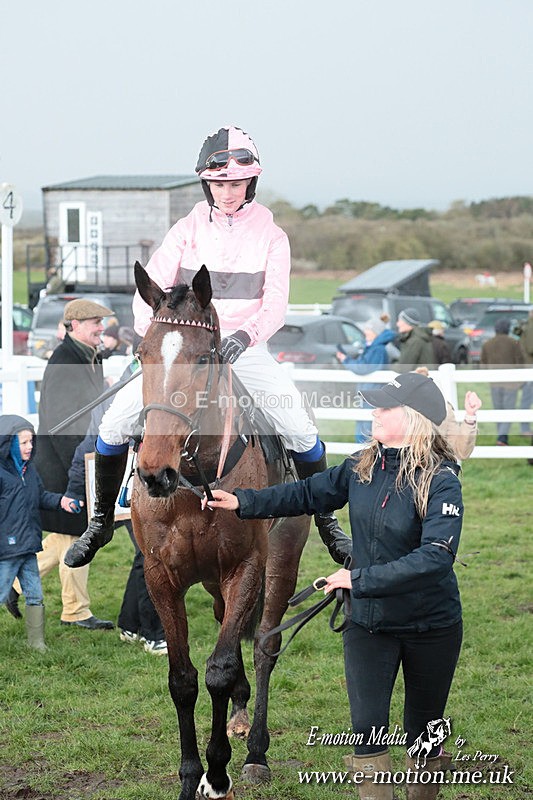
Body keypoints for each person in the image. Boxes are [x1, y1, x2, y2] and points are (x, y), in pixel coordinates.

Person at [64, 124, 349, 571]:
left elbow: (275, 305)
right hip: (184, 349)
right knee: (114, 424)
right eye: (219, 183)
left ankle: (329, 524)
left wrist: (242, 338)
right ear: (206, 182)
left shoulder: (273, 236)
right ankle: (99, 522)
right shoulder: (187, 228)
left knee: (298, 425)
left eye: (236, 183)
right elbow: (152, 292)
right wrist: (154, 341)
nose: (228, 191)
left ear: (250, 182)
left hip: (243, 348)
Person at [204, 372, 463, 800]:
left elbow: (436, 556)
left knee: (425, 732)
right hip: (367, 622)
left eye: (385, 406)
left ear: (414, 418)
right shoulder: (361, 466)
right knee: (367, 732)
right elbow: (306, 493)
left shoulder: (441, 480)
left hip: (431, 626)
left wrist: (357, 577)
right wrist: (243, 502)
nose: (374, 412)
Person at [9, 298, 116, 630]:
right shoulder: (65, 362)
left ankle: (13, 584)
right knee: (76, 536)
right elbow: (62, 426)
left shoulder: (88, 358)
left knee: (64, 539)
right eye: (95, 322)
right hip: (64, 465)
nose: (102, 327)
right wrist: (84, 469)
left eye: (102, 321)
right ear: (75, 326)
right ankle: (75, 611)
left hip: (72, 462)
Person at [0, 415, 78, 652]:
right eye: (23, 443)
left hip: (29, 547)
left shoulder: (29, 470)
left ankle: (37, 643)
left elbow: (41, 496)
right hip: (7, 550)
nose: (30, 447)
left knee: (35, 596)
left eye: (31, 442)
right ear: (8, 443)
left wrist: (62, 501)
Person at [336, 317, 396, 443]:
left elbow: (363, 368)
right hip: (368, 392)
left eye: (368, 330)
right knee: (364, 425)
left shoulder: (377, 350)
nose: (365, 333)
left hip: (372, 393)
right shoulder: (373, 347)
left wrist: (345, 360)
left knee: (367, 429)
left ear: (375, 332)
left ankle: (366, 456)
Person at [414, 367, 482, 460]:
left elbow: (461, 452)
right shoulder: (402, 413)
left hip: (437, 469)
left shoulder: (445, 410)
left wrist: (470, 415)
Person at [480, 317, 525, 445]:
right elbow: (520, 362)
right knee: (508, 410)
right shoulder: (514, 343)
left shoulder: (487, 344)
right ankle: (502, 437)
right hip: (511, 383)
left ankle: (501, 437)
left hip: (494, 382)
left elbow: (483, 363)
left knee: (498, 410)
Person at [518, 311, 533, 456]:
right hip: (530, 369)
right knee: (527, 399)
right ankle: (524, 428)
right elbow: (530, 348)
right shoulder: (530, 327)